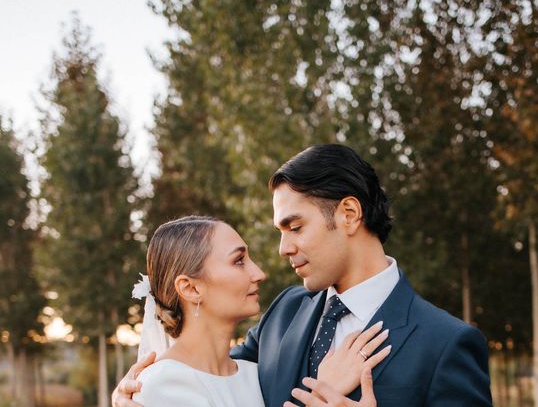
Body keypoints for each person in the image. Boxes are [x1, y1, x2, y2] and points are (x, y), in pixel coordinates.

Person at [115, 144, 493, 406]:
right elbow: (212, 375)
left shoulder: (447, 344)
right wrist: (139, 391)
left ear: (348, 214)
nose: (283, 249)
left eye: (295, 227)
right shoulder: (286, 311)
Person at [118, 215, 388, 407]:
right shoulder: (163, 384)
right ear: (190, 288)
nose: (259, 273)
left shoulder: (254, 374)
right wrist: (323, 391)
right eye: (238, 261)